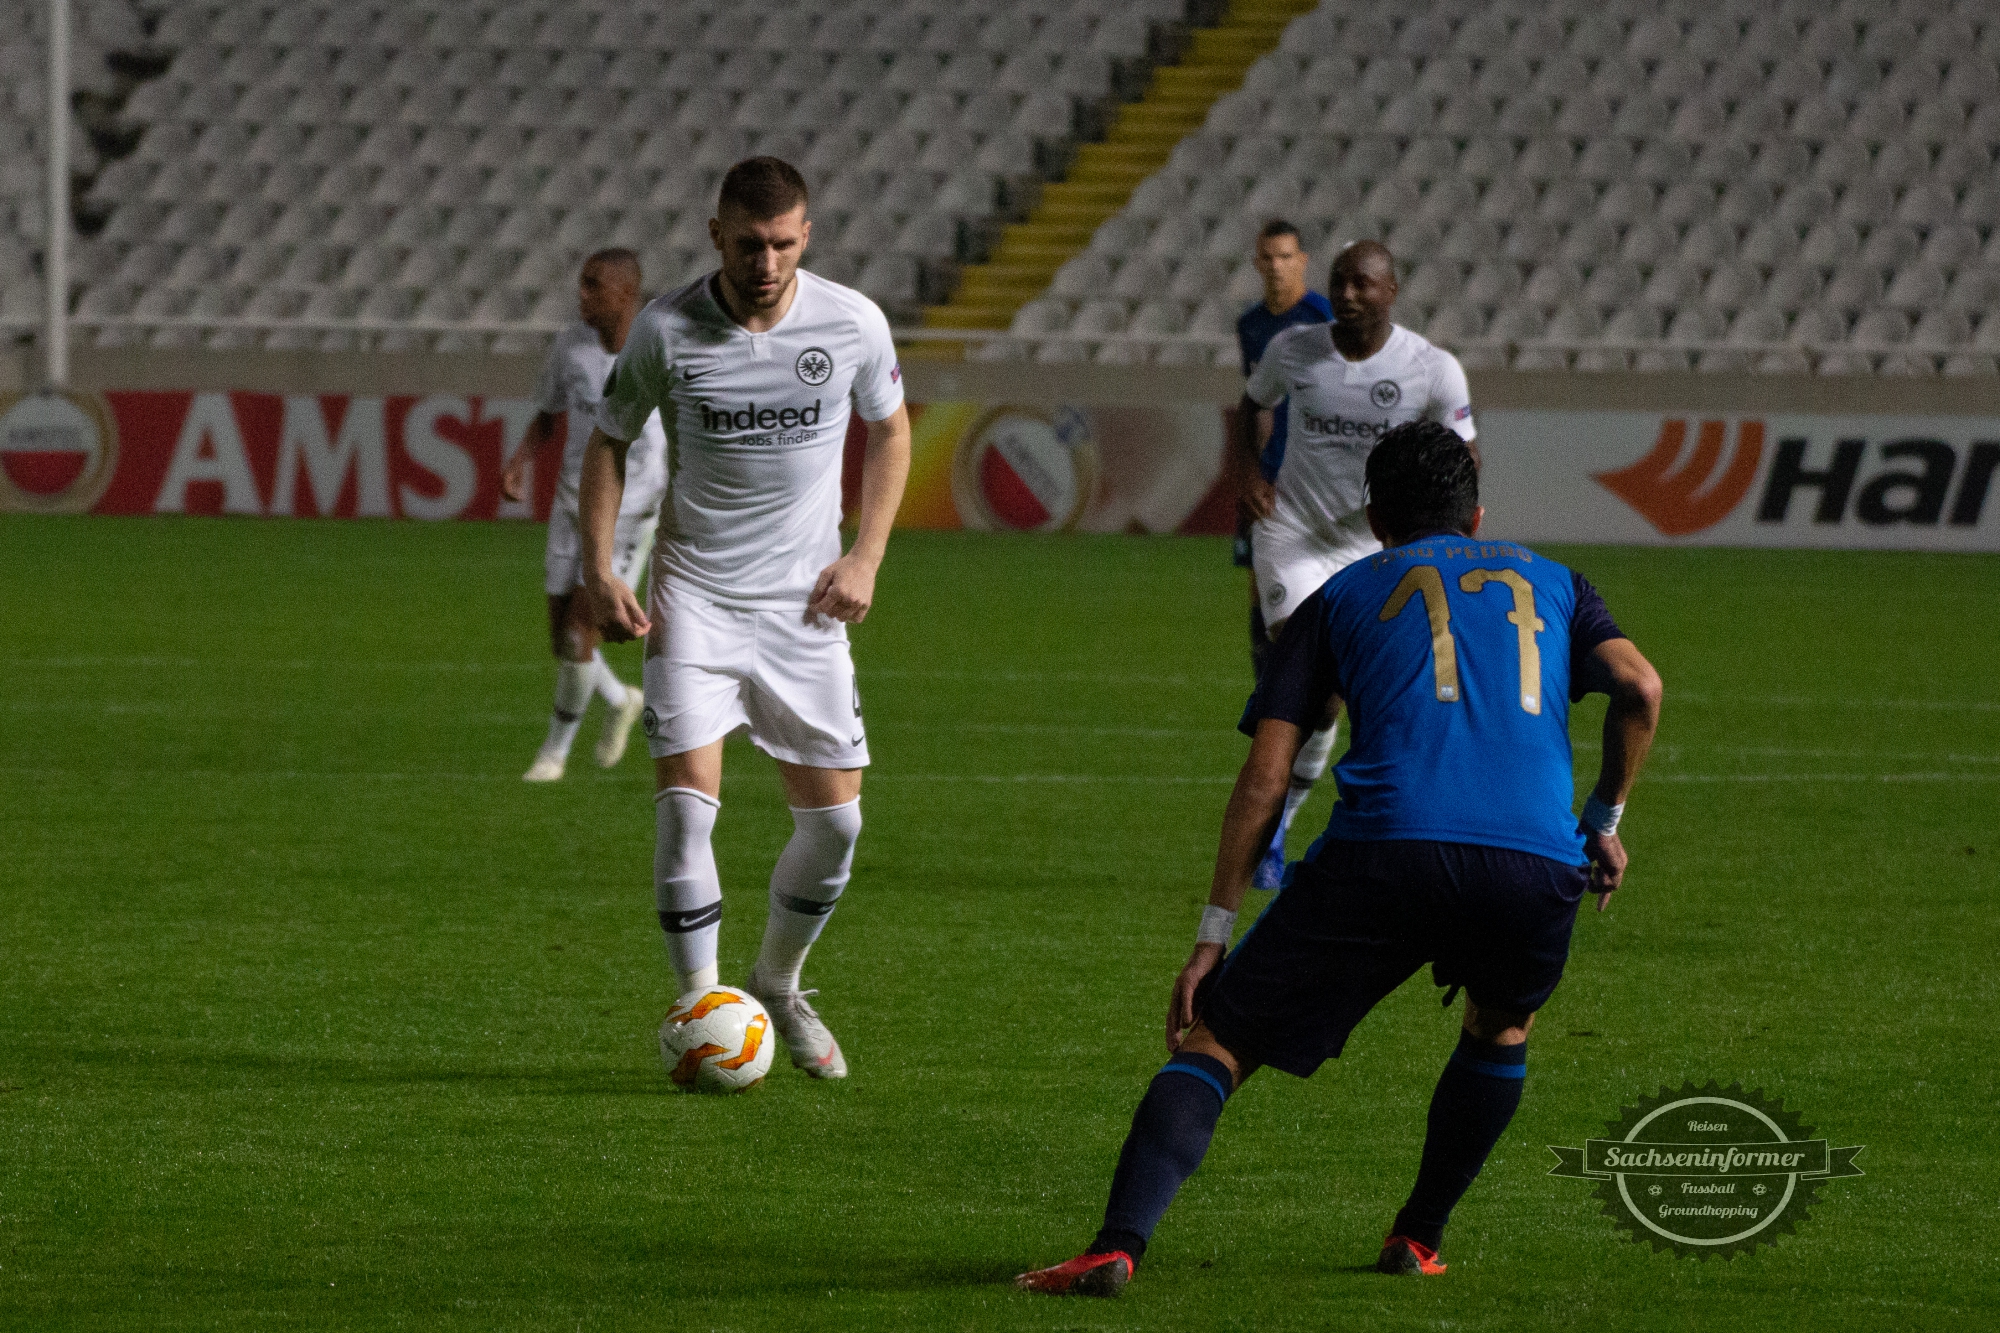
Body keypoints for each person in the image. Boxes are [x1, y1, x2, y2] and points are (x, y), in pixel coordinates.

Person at [1017, 421, 1662, 1295]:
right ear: (1477, 512)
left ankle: (1116, 1245)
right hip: (1534, 860)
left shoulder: (1340, 596)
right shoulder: (1558, 583)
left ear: (1374, 516)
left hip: (1386, 852)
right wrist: (1604, 816)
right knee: (1501, 1024)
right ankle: (1418, 1237)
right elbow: (1641, 685)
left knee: (1218, 1042)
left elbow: (1267, 777)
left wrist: (1213, 934)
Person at [579, 157, 912, 1080]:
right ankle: (698, 1008)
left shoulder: (849, 322)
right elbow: (608, 440)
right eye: (747, 243)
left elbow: (891, 430)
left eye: (781, 242)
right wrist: (603, 566)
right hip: (696, 600)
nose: (765, 261)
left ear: (806, 236)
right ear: (715, 235)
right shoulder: (667, 329)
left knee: (838, 828)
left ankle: (776, 984)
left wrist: (867, 554)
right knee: (688, 811)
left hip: (806, 609)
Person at [1231, 239, 1476, 891]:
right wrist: (1249, 470)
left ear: (1390, 291)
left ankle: (1279, 824)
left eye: (1363, 284)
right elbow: (1251, 403)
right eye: (1340, 282)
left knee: (1331, 699)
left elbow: (1466, 457)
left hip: (1375, 543)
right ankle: (1276, 830)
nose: (1347, 293)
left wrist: (1448, 534)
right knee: (1312, 670)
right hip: (1294, 532)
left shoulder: (1432, 367)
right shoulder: (1294, 350)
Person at [501, 249, 667, 783]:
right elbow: (549, 413)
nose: (582, 295)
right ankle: (621, 700)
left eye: (594, 286)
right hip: (572, 503)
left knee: (579, 633)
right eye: (582, 284)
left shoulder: (660, 347)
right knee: (561, 641)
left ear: (626, 292)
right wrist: (521, 460)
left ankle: (554, 753)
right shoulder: (571, 346)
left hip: (631, 511)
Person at [1230, 220, 1333, 890]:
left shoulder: (1323, 317)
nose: (1276, 268)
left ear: (1304, 261)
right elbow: (1257, 401)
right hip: (1277, 500)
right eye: (1266, 257)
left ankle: (1285, 811)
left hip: (1330, 505)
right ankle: (1277, 686)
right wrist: (1255, 469)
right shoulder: (1250, 325)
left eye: (1286, 257)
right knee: (1266, 626)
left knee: (1316, 661)